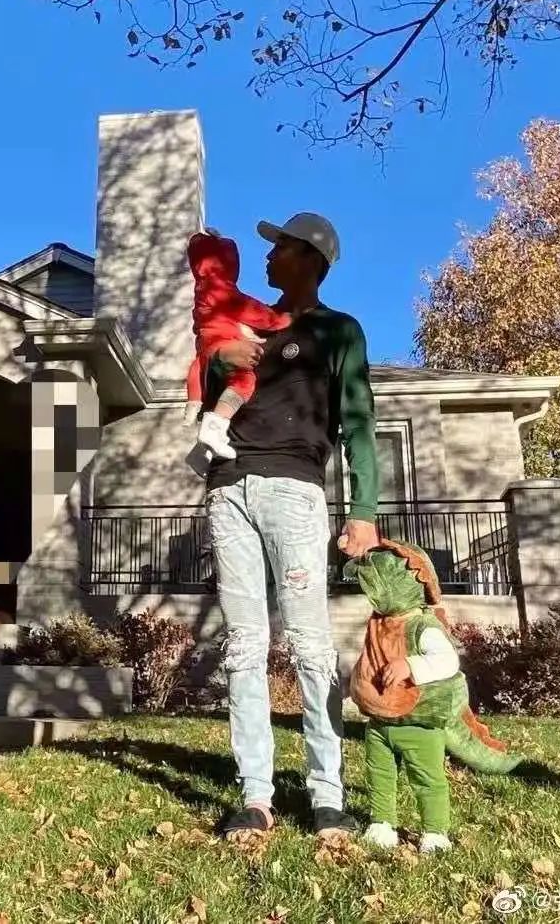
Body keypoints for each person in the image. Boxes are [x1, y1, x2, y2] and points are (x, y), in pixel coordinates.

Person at [203, 211, 380, 840]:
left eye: (279, 246)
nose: (268, 255)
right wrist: (220, 360)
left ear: (309, 257)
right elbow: (213, 400)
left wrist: (364, 512)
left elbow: (358, 421)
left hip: (295, 493)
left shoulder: (338, 330)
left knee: (310, 646)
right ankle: (256, 796)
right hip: (228, 490)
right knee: (244, 646)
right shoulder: (248, 322)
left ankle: (327, 796)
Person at [183, 228, 292, 463]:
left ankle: (202, 451)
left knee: (212, 380)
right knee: (244, 382)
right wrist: (283, 319)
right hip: (222, 344)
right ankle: (215, 426)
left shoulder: (202, 291)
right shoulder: (223, 291)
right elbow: (255, 312)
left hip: (207, 347)